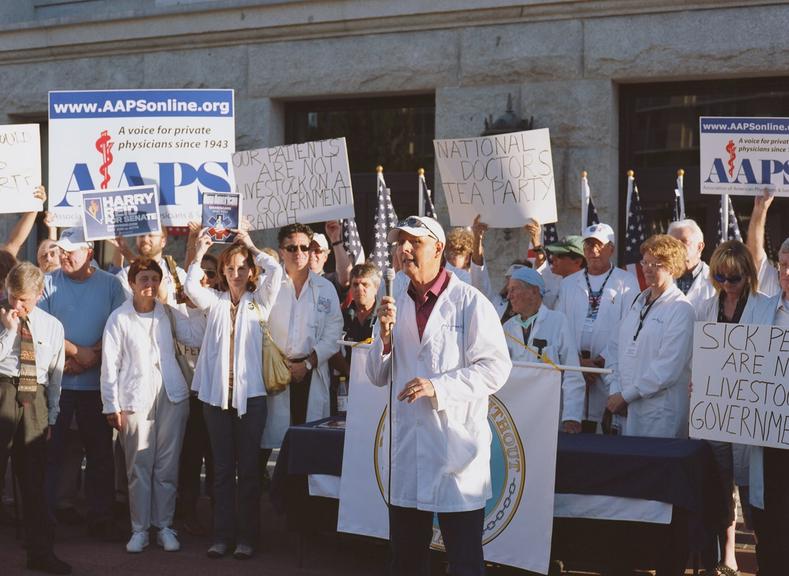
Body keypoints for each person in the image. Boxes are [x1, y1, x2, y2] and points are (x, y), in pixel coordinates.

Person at [369, 215, 512, 576]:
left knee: (463, 560)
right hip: (408, 450)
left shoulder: (469, 302)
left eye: (413, 242)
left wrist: (439, 386)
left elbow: (496, 368)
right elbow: (376, 374)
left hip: (456, 451)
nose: (403, 250)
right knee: (405, 560)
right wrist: (384, 340)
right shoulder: (392, 302)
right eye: (399, 242)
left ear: (438, 248)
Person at [185, 227, 282, 560]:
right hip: (215, 400)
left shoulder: (260, 303)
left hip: (250, 400)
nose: (237, 274)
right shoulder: (214, 302)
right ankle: (222, 536)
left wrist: (251, 246)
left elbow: (277, 270)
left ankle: (248, 538)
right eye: (230, 268)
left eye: (242, 268)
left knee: (250, 473)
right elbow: (189, 287)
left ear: (251, 271)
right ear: (223, 273)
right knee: (222, 471)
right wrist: (199, 252)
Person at [101, 259, 194, 553]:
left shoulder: (168, 312)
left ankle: (164, 526)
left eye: (154, 278)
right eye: (144, 278)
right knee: (138, 467)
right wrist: (110, 405)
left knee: (167, 465)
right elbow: (109, 366)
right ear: (131, 283)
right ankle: (139, 529)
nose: (149, 285)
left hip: (172, 395)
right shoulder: (119, 318)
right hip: (134, 399)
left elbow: (194, 335)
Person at [40, 227, 127, 540]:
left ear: (89, 252)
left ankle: (100, 520)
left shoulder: (112, 285)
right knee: (52, 455)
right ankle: (44, 523)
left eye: (71, 250)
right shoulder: (47, 282)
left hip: (96, 389)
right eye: (62, 249)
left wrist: (96, 355)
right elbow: (40, 326)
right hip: (59, 387)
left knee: (101, 455)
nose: (64, 255)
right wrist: (79, 353)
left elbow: (121, 325)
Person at [696, 240, 773, 576]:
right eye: (720, 277)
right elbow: (698, 355)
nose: (727, 284)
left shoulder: (766, 308)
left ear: (748, 276)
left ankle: (763, 550)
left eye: (734, 278)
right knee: (718, 482)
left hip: (748, 412)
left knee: (749, 484)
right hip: (714, 410)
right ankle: (727, 554)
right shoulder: (705, 308)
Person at [0, 262, 70, 575]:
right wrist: (9, 332)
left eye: (24, 299)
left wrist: (51, 416)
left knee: (34, 483)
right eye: (12, 296)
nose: (16, 305)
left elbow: (55, 376)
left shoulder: (53, 326)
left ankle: (40, 554)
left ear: (39, 295)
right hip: (2, 390)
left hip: (35, 398)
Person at [604, 234, 695, 438]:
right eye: (645, 262)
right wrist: (615, 390)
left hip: (660, 414)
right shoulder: (637, 301)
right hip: (626, 409)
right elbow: (615, 347)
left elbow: (667, 368)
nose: (647, 268)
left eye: (656, 264)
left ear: (672, 268)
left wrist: (626, 396)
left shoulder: (681, 309)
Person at [262, 223, 343, 449]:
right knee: (269, 439)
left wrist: (308, 364)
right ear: (281, 251)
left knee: (307, 439)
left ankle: (300, 486)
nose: (299, 253)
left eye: (304, 248)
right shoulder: (268, 285)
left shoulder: (325, 288)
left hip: (311, 371)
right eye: (291, 248)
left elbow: (333, 332)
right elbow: (258, 326)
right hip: (275, 372)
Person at [556, 223, 640, 432]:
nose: (593, 251)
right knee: (573, 419)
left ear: (611, 248)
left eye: (599, 246)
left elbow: (629, 326)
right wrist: (577, 361)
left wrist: (599, 361)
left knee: (605, 426)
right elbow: (560, 324)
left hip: (609, 368)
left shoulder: (627, 282)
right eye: (588, 246)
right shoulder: (568, 284)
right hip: (574, 365)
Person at [747, 236, 789, 576]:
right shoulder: (761, 308)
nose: (787, 272)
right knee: (769, 514)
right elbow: (738, 362)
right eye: (783, 266)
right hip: (768, 431)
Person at [502, 266, 584, 432]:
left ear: (533, 291)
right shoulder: (508, 328)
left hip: (548, 414)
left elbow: (572, 372)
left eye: (514, 290)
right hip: (515, 414)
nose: (508, 296)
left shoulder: (557, 322)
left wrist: (571, 416)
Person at [667, 218, 715, 309]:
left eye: (684, 241)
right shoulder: (661, 279)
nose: (678, 247)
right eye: (673, 243)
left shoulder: (715, 280)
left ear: (700, 247)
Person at [746, 190, 782, 298]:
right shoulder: (773, 280)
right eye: (784, 264)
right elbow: (754, 252)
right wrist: (760, 210)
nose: (787, 271)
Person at [541, 235, 586, 309]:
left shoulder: (585, 290)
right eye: (553, 254)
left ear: (577, 262)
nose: (552, 258)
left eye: (559, 255)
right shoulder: (560, 284)